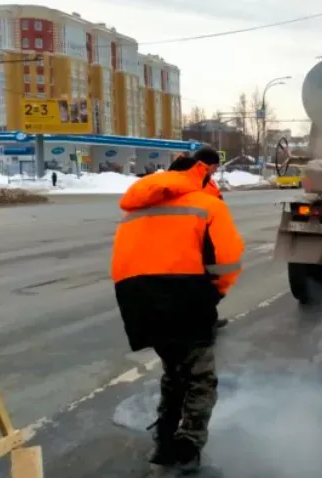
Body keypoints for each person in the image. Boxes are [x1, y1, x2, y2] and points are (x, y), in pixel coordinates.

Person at [111, 150, 244, 472]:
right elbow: (228, 260)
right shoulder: (207, 205)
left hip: (135, 298)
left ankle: (165, 434)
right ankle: (187, 446)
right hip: (185, 294)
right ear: (203, 173)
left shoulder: (136, 208)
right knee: (201, 378)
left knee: (174, 367)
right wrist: (212, 295)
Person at [168, 151, 231, 330]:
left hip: (201, 233)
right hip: (195, 236)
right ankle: (201, 322)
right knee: (201, 281)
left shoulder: (204, 179)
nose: (216, 170)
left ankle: (207, 318)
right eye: (215, 166)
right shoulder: (192, 179)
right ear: (207, 164)